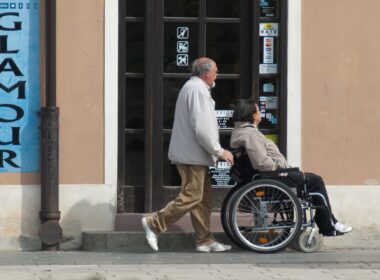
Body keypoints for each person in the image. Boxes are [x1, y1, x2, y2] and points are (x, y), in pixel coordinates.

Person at [142, 57, 234, 252]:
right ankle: (154, 223)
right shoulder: (197, 90)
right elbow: (202, 128)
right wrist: (219, 151)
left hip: (193, 154)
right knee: (192, 196)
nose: (217, 74)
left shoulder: (195, 88)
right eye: (216, 71)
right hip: (192, 155)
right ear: (207, 72)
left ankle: (205, 240)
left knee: (202, 199)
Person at [230, 98, 352, 236]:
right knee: (315, 181)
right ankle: (328, 223)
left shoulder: (243, 131)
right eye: (258, 110)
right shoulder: (250, 134)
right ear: (253, 116)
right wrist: (281, 167)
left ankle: (327, 220)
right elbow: (262, 163)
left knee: (309, 179)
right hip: (270, 178)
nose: (260, 113)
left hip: (266, 177)